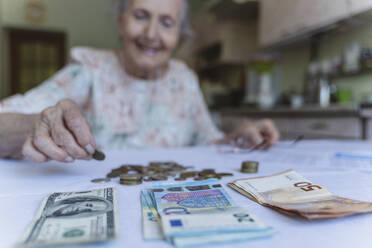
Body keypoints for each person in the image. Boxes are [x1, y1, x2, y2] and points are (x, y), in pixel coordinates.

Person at [0, 0, 279, 163]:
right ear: (121, 22)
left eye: (167, 23)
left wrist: (240, 135)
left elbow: (209, 141)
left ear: (179, 38)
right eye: (141, 16)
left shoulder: (184, 79)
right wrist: (31, 126)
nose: (151, 34)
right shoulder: (89, 69)